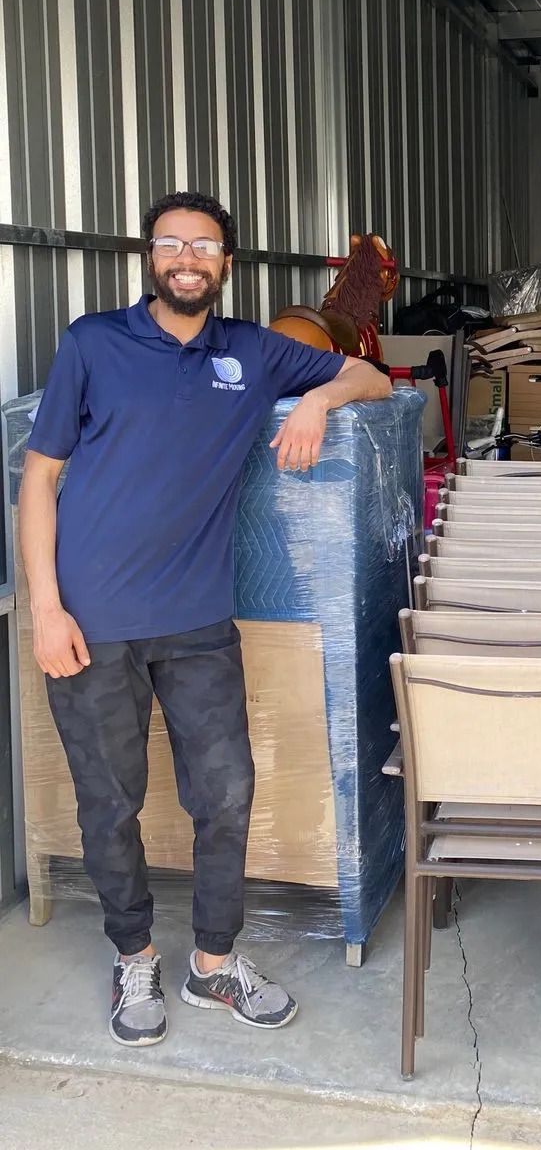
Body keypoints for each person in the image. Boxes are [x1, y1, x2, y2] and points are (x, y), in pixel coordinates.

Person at [18, 191, 391, 1046]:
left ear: (227, 263)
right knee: (109, 804)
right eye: (172, 243)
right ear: (150, 256)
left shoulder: (254, 351)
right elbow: (39, 479)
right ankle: (134, 955)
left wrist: (316, 402)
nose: (188, 258)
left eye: (206, 246)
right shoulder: (93, 343)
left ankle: (213, 965)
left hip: (196, 621)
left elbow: (370, 374)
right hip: (91, 621)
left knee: (225, 796)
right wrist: (46, 609)